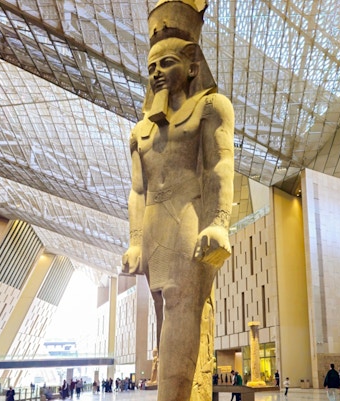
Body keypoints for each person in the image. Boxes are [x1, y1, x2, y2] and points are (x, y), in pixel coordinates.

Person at [121, 1, 234, 400]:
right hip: (154, 224)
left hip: (188, 214)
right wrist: (135, 241)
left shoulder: (211, 107)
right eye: (151, 67)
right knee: (163, 313)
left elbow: (220, 165)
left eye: (166, 63)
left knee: (181, 306)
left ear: (191, 65)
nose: (156, 73)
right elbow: (138, 190)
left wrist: (218, 221)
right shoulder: (140, 132)